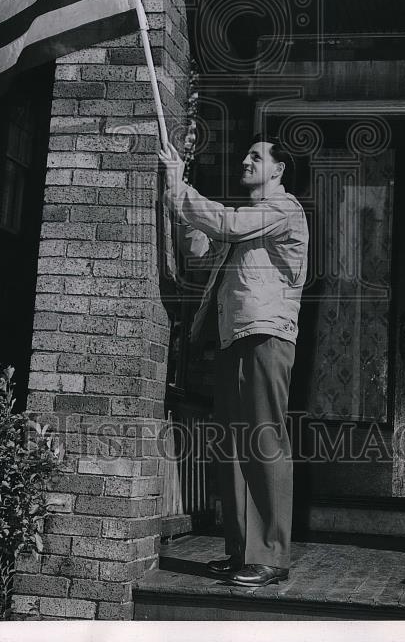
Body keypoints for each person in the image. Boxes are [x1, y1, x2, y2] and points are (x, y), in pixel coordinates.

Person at [159, 134, 308, 588]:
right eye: (246, 152)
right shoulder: (249, 221)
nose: (245, 160)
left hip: (266, 337)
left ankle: (271, 556)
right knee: (233, 447)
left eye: (257, 156)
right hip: (233, 339)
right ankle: (243, 551)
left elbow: (229, 225)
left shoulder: (282, 210)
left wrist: (179, 189)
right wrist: (177, 194)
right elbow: (201, 252)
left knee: (263, 441)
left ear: (279, 170)